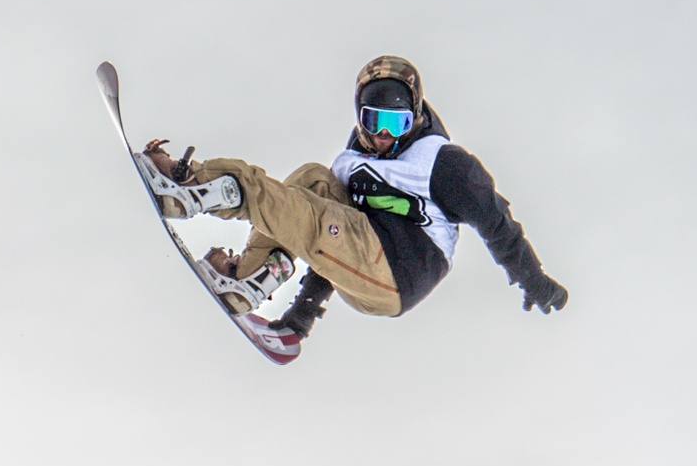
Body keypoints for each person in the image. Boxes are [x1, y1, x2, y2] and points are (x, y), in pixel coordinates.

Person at [138, 55, 567, 355]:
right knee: (314, 179)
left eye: (396, 124)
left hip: (403, 267)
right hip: (364, 256)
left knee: (298, 208)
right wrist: (299, 319)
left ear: (415, 117)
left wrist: (532, 278)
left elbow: (497, 222)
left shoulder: (444, 164)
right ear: (358, 116)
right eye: (372, 121)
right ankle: (250, 280)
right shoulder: (357, 157)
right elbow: (331, 247)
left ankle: (193, 187)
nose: (383, 136)